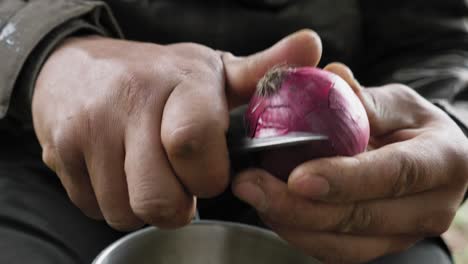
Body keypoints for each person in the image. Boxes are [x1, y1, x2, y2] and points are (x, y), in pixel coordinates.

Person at [1, 0, 467, 263]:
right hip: (47, 156)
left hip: (334, 186)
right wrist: (47, 52)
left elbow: (440, 42)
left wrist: (447, 122)